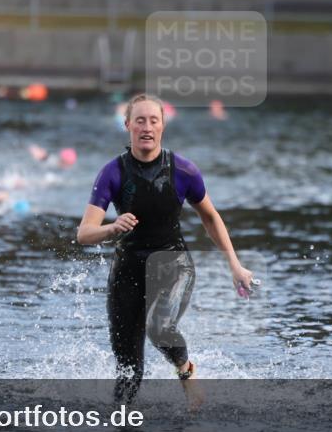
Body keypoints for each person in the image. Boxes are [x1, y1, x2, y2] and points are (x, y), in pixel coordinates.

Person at [77, 94, 253, 407]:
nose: (147, 127)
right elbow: (84, 233)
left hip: (173, 263)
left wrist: (235, 266)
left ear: (163, 125)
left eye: (153, 120)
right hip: (128, 268)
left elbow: (210, 217)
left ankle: (186, 372)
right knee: (128, 371)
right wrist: (111, 227)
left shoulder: (183, 171)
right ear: (127, 125)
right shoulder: (112, 173)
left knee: (160, 328)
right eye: (140, 120)